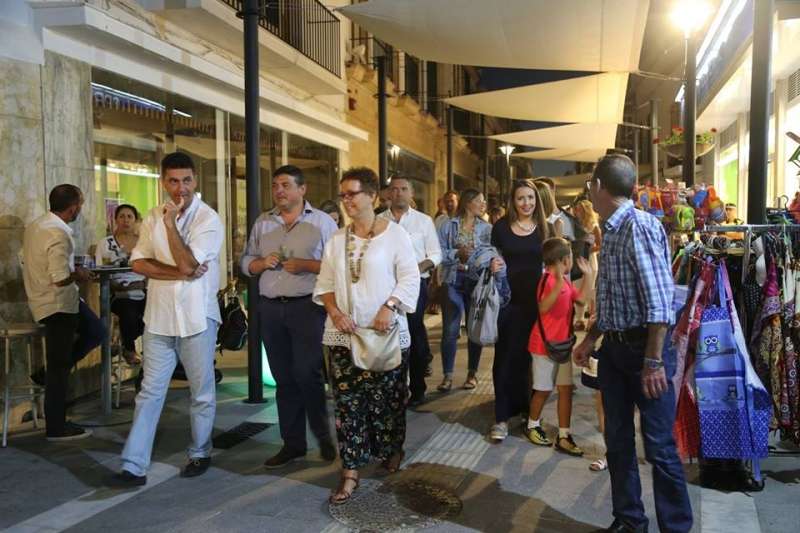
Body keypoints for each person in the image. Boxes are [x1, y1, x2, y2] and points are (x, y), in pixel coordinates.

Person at [573, 154, 692, 533]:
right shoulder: (611, 229)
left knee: (658, 446)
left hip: (645, 352)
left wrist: (653, 361)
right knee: (618, 440)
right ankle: (629, 520)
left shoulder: (637, 227)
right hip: (615, 350)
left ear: (598, 187)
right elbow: (614, 298)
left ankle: (676, 526)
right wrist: (591, 338)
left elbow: (659, 303)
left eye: (591, 185)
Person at [112, 152, 224, 486]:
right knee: (149, 392)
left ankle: (200, 452)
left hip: (197, 317)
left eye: (186, 180)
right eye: (173, 181)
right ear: (163, 182)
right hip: (159, 318)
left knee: (200, 392)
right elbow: (138, 263)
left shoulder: (208, 219)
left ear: (195, 180)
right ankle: (134, 464)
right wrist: (180, 272)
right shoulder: (151, 216)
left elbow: (189, 264)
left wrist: (172, 226)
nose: (180, 188)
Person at [314, 167, 419, 504]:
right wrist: (335, 313)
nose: (346, 201)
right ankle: (350, 471)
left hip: (385, 334)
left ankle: (392, 449)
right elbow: (325, 285)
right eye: (342, 195)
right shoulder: (336, 240)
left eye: (352, 194)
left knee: (388, 402)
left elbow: (410, 277)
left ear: (372, 196)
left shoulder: (395, 235)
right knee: (347, 406)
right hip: (345, 336)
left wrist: (390, 306)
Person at [241, 165, 338, 468]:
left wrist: (306, 265)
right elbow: (245, 261)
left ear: (302, 189)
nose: (279, 191)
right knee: (283, 378)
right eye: (275, 185)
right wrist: (259, 264)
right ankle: (293, 444)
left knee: (308, 374)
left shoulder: (322, 222)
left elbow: (337, 266)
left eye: (285, 185)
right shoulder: (263, 222)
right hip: (271, 308)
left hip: (307, 307)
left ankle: (323, 436)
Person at [22, 184, 106, 441]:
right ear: (73, 207)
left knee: (96, 331)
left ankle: (44, 376)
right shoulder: (58, 233)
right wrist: (79, 274)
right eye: (81, 204)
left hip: (51, 300)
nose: (81, 209)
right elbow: (59, 278)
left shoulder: (37, 225)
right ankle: (56, 427)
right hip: (57, 304)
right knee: (59, 368)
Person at [488, 179, 549, 442]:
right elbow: (489, 255)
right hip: (507, 303)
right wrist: (491, 264)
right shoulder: (501, 228)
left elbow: (555, 264)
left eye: (530, 198)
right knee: (504, 358)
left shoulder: (545, 228)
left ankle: (527, 411)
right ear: (513, 201)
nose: (526, 203)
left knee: (529, 359)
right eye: (521, 198)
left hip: (537, 304)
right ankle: (501, 417)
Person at [526, 238, 591, 455]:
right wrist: (558, 282)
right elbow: (543, 308)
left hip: (563, 346)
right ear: (563, 260)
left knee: (565, 389)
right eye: (570, 257)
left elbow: (581, 301)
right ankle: (532, 425)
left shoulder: (564, 281)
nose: (572, 261)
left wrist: (588, 275)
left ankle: (564, 435)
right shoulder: (547, 280)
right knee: (543, 389)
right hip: (543, 346)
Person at [380, 177, 442, 407]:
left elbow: (435, 254)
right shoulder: (379, 221)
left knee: (414, 333)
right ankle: (392, 388)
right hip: (385, 286)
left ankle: (417, 388)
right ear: (388, 193)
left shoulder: (423, 221)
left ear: (411, 193)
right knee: (388, 335)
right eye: (394, 189)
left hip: (415, 285)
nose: (398, 193)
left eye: (403, 189)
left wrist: (417, 268)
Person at [437, 188, 491, 391]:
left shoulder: (487, 228)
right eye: (480, 201)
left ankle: (472, 374)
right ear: (468, 202)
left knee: (474, 330)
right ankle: (447, 376)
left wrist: (477, 258)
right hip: (453, 280)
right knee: (450, 330)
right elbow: (437, 252)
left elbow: (491, 254)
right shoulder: (447, 225)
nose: (483, 205)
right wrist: (456, 253)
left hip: (476, 282)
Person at [95, 204, 147, 365]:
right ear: (115, 219)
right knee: (129, 312)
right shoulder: (105, 244)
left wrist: (143, 283)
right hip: (118, 293)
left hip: (142, 289)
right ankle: (129, 348)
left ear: (135, 220)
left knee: (155, 314)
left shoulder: (144, 243)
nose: (126, 220)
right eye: (122, 216)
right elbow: (99, 270)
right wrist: (117, 285)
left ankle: (124, 338)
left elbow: (153, 267)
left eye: (130, 216)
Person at [572, 199, 602, 331]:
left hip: (590, 260)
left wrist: (589, 249)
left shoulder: (594, 226)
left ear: (585, 211)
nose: (576, 212)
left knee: (590, 289)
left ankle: (592, 319)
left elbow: (601, 245)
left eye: (578, 209)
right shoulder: (575, 225)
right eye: (576, 209)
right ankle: (579, 320)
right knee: (577, 287)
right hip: (578, 259)